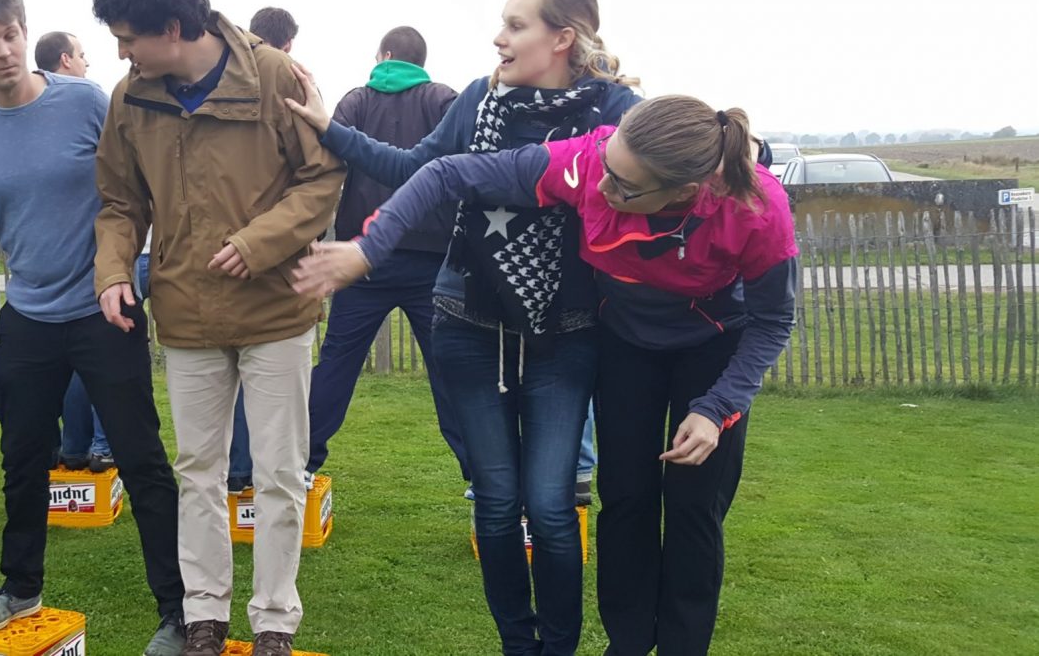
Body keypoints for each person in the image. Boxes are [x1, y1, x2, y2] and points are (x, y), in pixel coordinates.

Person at [293, 95, 797, 656]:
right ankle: (627, 645)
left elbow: (773, 320)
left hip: (713, 346)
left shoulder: (757, 208)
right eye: (607, 166)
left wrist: (716, 407)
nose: (600, 188)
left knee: (693, 507)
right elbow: (443, 173)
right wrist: (368, 249)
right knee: (626, 498)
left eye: (624, 187)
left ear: (684, 192)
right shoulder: (586, 163)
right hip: (627, 343)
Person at [284, 0, 638, 654]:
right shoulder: (477, 99)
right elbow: (414, 166)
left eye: (516, 25)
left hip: (566, 334)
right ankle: (517, 645)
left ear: (562, 38)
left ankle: (557, 648)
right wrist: (329, 127)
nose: (498, 38)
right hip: (468, 325)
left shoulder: (616, 110)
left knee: (553, 509)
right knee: (498, 506)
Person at [92, 0, 346, 654]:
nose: (122, 54)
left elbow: (323, 176)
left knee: (280, 475)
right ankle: (204, 615)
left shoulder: (276, 77)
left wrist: (259, 242)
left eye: (128, 39)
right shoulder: (128, 98)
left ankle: (274, 622)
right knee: (197, 473)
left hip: (277, 312)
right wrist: (113, 270)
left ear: (173, 28)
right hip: (186, 314)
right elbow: (119, 202)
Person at [0, 0, 185, 651]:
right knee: (22, 460)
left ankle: (180, 609)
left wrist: (128, 270)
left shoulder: (85, 101)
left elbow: (134, 193)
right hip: (28, 316)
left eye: (11, 35)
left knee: (141, 459)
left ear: (25, 30)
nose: (4, 51)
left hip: (105, 309)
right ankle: (21, 588)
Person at [297, 25, 462, 480]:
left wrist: (315, 235)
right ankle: (483, 478)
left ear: (384, 56)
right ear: (420, 61)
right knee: (449, 372)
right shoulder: (443, 99)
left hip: (362, 258)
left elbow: (328, 168)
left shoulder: (356, 101)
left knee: (336, 365)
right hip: (431, 259)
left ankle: (302, 464)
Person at [27, 30, 116, 473]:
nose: (87, 63)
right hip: (99, 259)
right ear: (65, 60)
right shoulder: (90, 100)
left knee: (67, 363)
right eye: (82, 55)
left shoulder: (28, 115)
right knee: (104, 355)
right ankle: (100, 445)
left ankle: (75, 446)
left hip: (45, 265)